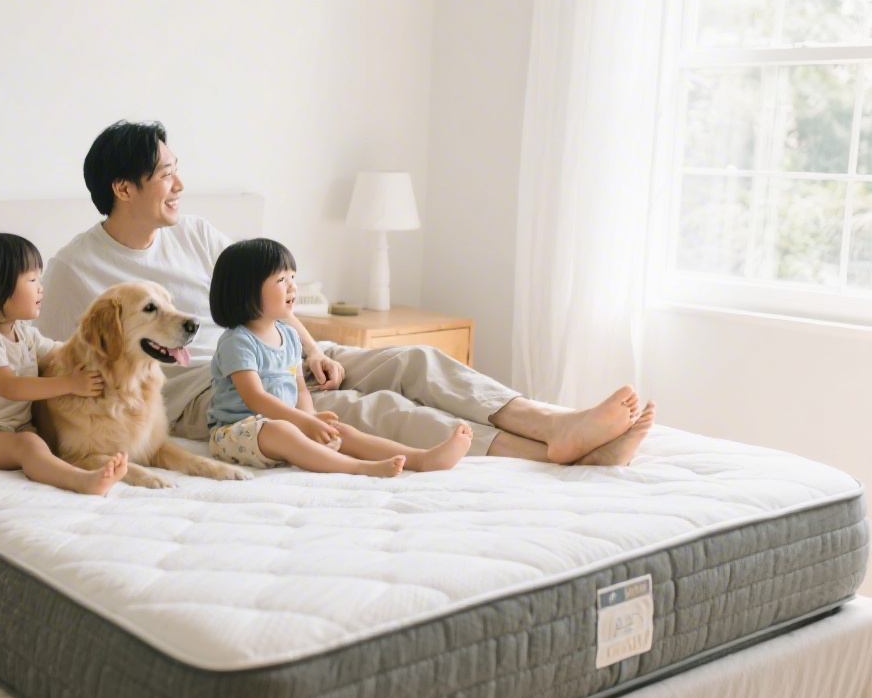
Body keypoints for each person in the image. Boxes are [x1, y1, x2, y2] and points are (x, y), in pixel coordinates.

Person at [36, 120, 656, 467]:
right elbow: (49, 365)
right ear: (123, 188)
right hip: (206, 386)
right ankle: (546, 453)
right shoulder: (74, 270)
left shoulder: (195, 233)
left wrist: (309, 349)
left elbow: (263, 301)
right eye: (166, 174)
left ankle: (554, 422)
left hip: (270, 346)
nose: (179, 184)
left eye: (176, 170)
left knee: (412, 360)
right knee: (353, 410)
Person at [207, 238, 474, 477]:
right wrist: (303, 423)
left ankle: (422, 459)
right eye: (281, 280)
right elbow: (255, 397)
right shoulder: (237, 341)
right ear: (246, 290)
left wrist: (312, 419)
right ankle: (358, 467)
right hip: (236, 432)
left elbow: (300, 389)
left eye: (292, 277)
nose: (292, 287)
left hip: (287, 423)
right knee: (282, 431)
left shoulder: (289, 335)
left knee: (338, 429)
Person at [0, 232, 128, 495]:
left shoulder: (24, 334)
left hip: (16, 427)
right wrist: (70, 384)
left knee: (39, 440)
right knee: (27, 445)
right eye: (32, 280)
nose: (40, 287)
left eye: (40, 279)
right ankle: (83, 481)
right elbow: (10, 387)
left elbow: (61, 353)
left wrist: (102, 349)